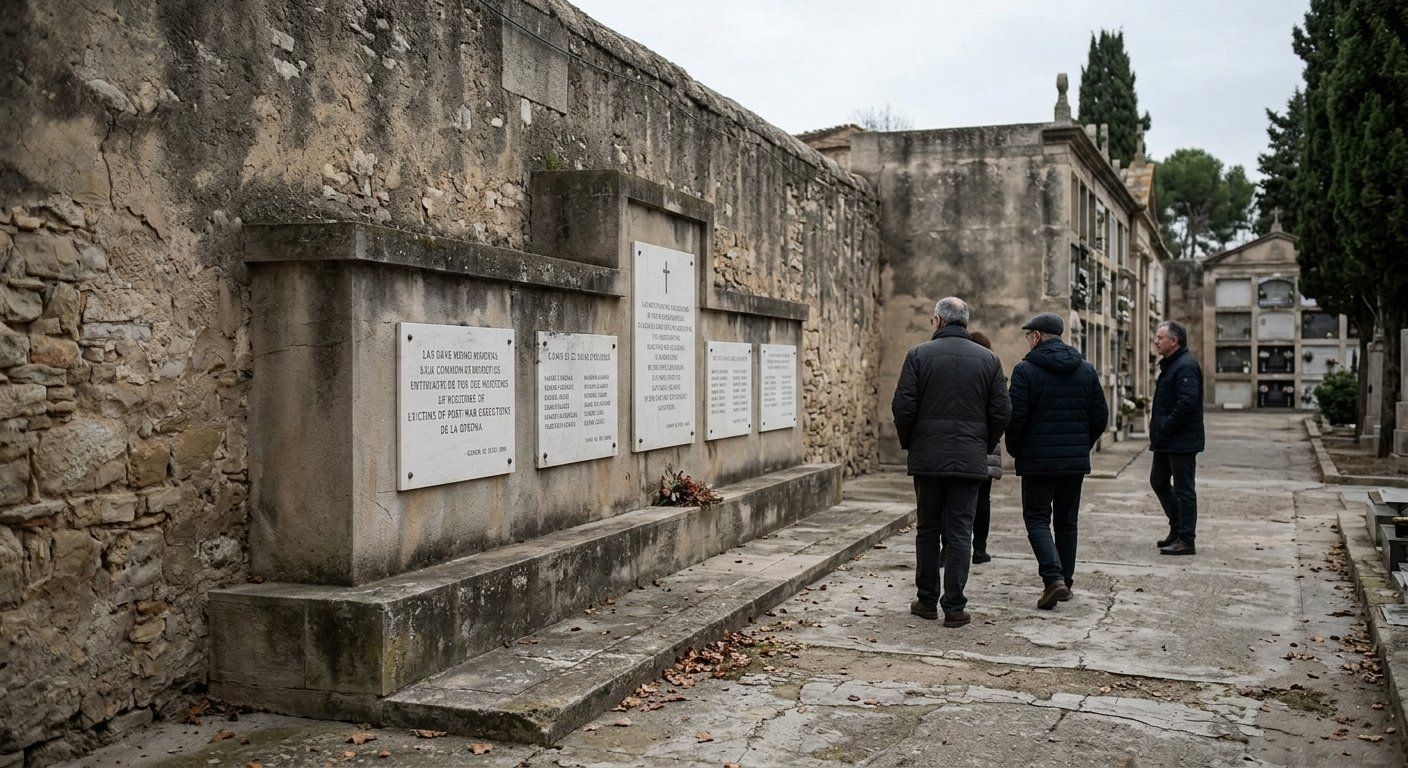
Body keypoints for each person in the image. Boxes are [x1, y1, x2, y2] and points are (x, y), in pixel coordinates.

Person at [891, 297, 1011, 628]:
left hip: (928, 457)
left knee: (928, 529)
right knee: (960, 532)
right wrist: (982, 443)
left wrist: (912, 442)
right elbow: (1002, 411)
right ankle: (955, 606)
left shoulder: (918, 355)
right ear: (965, 322)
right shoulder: (989, 360)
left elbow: (903, 407)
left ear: (938, 321)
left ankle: (927, 600)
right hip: (970, 459)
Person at [1004, 312, 1108, 610]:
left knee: (1037, 519)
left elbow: (1016, 418)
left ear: (1037, 336)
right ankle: (1066, 582)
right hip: (1073, 463)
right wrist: (1081, 446)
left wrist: (1017, 450)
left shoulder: (1025, 371)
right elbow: (1100, 416)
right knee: (1066, 522)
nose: (1028, 340)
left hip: (1037, 462)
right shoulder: (1086, 369)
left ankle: (1053, 578)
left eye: (1029, 335)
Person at [1149, 320, 1205, 556]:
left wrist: (1165, 425)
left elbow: (1187, 403)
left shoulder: (1185, 366)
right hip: (1167, 439)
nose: (1156, 341)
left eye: (1160, 337)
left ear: (1174, 341)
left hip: (1181, 440)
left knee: (1184, 489)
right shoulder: (1172, 364)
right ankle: (1177, 528)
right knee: (1158, 480)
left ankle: (1186, 539)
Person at [968, 331, 1003, 565]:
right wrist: (991, 440)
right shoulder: (992, 368)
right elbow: (1002, 410)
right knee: (983, 499)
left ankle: (947, 548)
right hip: (985, 444)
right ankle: (980, 549)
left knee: (950, 501)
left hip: (961, 444)